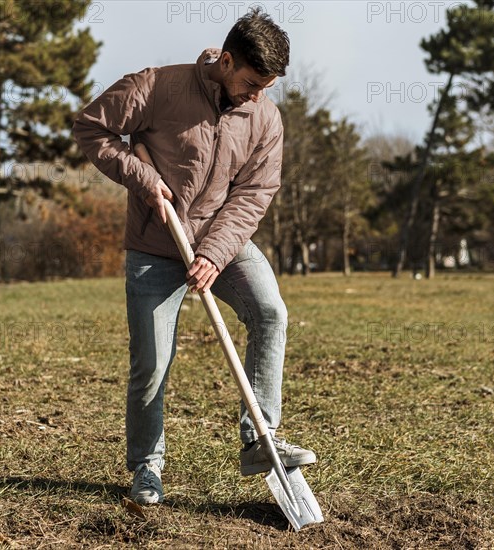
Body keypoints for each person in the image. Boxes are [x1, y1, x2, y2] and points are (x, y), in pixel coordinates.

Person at [72, 8, 316, 505]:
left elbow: (254, 194)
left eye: (266, 86)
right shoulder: (156, 87)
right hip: (155, 245)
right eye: (251, 82)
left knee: (270, 313)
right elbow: (91, 127)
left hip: (221, 240)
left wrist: (215, 252)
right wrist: (142, 179)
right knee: (153, 364)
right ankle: (146, 468)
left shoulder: (265, 118)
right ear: (225, 61)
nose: (257, 95)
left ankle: (259, 439)